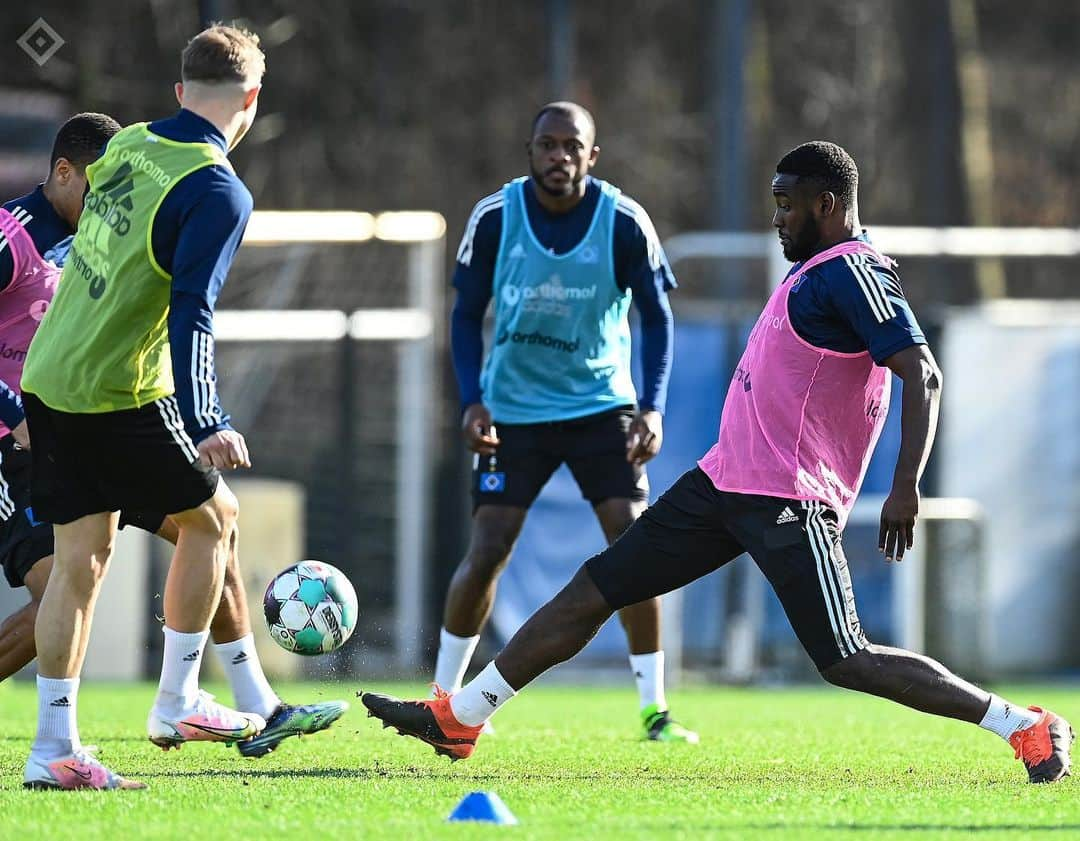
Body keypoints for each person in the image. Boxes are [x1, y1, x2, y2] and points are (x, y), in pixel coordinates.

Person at [363, 141, 1073, 784]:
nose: (778, 219)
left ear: (828, 205)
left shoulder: (853, 272)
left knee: (846, 657)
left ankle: (1026, 726)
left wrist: (906, 485)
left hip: (785, 499)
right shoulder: (819, 270)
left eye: (787, 205)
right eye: (775, 204)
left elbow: (922, 373)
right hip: (724, 482)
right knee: (593, 589)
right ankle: (463, 717)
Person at [0, 113, 346, 763]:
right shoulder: (11, 236)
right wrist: (8, 408)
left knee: (210, 526)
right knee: (62, 586)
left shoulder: (103, 233)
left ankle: (258, 702)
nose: (110, 196)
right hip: (20, 440)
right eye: (98, 183)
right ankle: (129, 716)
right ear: (65, 172)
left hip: (95, 419)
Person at [433, 101, 695, 742]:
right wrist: (471, 399)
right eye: (547, 145)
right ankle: (444, 697)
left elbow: (658, 319)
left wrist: (651, 408)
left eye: (571, 146)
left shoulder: (624, 221)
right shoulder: (496, 217)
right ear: (530, 152)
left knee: (634, 548)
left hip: (600, 407)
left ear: (592, 155)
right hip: (514, 411)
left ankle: (654, 711)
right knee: (488, 548)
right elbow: (466, 314)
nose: (559, 157)